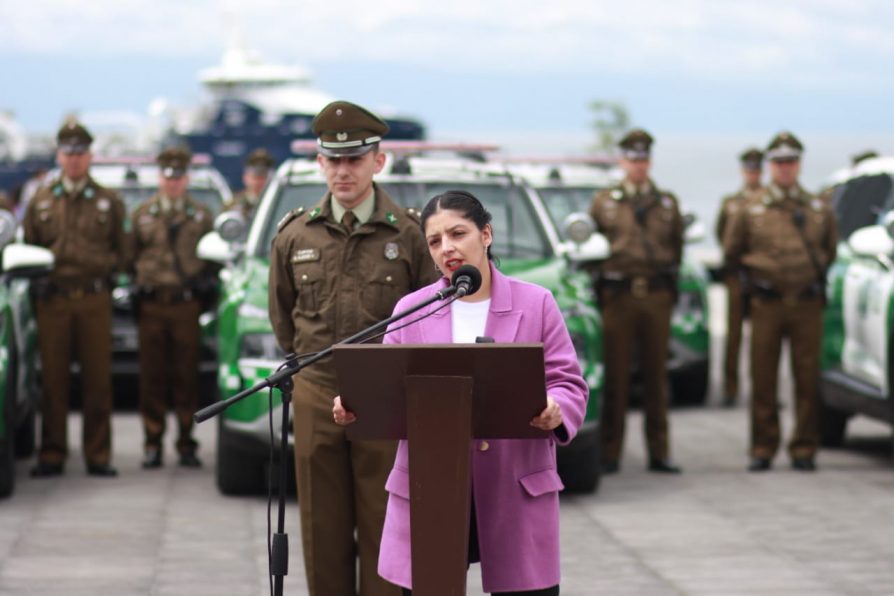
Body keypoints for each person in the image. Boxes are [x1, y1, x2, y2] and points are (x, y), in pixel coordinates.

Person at [333, 189, 588, 595]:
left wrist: (557, 408)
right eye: (435, 241)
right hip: (430, 485)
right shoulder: (412, 309)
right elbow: (386, 389)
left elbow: (568, 381)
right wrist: (356, 405)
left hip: (514, 483)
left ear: (485, 234)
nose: (447, 248)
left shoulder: (537, 302)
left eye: (458, 233)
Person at [268, 100, 439, 596]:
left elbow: (428, 319)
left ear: (377, 162)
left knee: (386, 525)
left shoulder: (408, 234)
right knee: (321, 529)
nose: (343, 171)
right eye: (333, 160)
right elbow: (285, 319)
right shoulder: (293, 235)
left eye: (355, 159)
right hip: (317, 391)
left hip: (386, 397)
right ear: (319, 163)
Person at [723, 131, 838, 472]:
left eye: (790, 162)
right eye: (779, 162)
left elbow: (829, 250)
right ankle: (763, 446)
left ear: (799, 164)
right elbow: (732, 251)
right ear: (770, 165)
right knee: (763, 379)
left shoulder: (818, 207)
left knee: (807, 378)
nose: (785, 168)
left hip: (806, 303)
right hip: (766, 304)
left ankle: (804, 446)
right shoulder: (749, 207)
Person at [23, 121, 127, 478]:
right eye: (68, 153)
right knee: (53, 380)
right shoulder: (41, 200)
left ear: (89, 157)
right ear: (59, 156)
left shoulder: (107, 201)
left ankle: (98, 454)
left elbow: (121, 250)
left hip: (94, 301)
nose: (74, 160)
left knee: (98, 381)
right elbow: (30, 247)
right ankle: (51, 453)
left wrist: (106, 277)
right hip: (53, 302)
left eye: (80, 153)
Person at [588, 128, 684, 475]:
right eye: (632, 159)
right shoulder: (604, 202)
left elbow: (677, 249)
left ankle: (659, 451)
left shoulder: (667, 203)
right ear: (622, 161)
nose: (638, 165)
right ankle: (611, 451)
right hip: (618, 296)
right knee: (616, 377)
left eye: (643, 159)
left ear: (650, 162)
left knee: (657, 376)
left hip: (656, 296)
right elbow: (592, 251)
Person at [130, 146, 214, 469]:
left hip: (186, 304)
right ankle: (152, 443)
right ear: (160, 177)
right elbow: (131, 257)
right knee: (151, 376)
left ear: (186, 178)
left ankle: (186, 442)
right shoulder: (142, 214)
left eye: (178, 177)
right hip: (152, 304)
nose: (173, 183)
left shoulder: (200, 215)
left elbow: (209, 258)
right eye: (168, 177)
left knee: (186, 376)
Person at [715, 148, 764, 407]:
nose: (753, 174)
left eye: (757, 169)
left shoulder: (769, 200)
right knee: (733, 335)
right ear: (743, 171)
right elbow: (722, 233)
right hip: (737, 276)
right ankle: (730, 387)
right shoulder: (731, 202)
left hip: (760, 278)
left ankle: (763, 389)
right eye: (749, 169)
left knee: (762, 338)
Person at [223, 148, 275, 222]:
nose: (258, 182)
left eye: (263, 178)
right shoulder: (233, 205)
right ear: (245, 178)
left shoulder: (277, 203)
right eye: (255, 178)